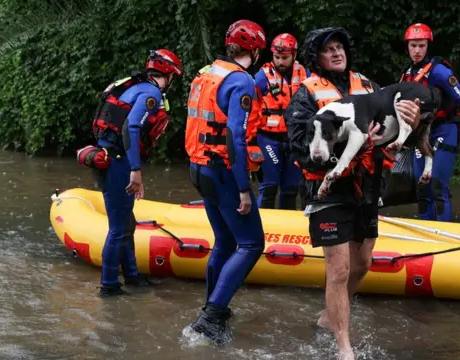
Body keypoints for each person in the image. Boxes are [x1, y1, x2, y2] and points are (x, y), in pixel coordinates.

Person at [284, 27, 420, 360]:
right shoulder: (305, 94)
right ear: (316, 58)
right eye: (328, 49)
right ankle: (345, 348)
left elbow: (394, 134)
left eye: (340, 48)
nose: (336, 53)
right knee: (340, 269)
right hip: (326, 189)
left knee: (363, 263)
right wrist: (349, 144)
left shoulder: (371, 88)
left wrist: (412, 123)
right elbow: (301, 146)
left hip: (367, 188)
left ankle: (328, 316)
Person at [184, 19, 267, 345]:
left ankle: (212, 308)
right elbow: (235, 135)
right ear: (256, 51)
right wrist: (244, 188)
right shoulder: (241, 82)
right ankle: (211, 317)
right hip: (222, 171)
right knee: (251, 244)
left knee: (224, 241)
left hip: (198, 166)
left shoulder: (207, 73)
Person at [92, 49, 183, 297]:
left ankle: (131, 275)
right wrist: (136, 170)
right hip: (119, 162)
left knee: (126, 223)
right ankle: (109, 286)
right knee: (119, 228)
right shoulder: (151, 92)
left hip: (108, 156)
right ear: (170, 75)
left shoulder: (134, 86)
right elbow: (131, 127)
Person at [400, 23, 460, 222]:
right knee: (422, 187)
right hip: (421, 136)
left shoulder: (438, 72)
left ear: (428, 46)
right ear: (407, 47)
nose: (417, 50)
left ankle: (444, 234)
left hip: (445, 131)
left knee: (437, 185)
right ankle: (427, 234)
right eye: (413, 46)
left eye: (421, 45)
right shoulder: (407, 75)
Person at [253, 33, 311, 209]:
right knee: (269, 187)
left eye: (285, 58)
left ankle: (288, 230)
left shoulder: (306, 75)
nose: (280, 62)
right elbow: (251, 111)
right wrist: (250, 142)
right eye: (277, 57)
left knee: (291, 189)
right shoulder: (262, 77)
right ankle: (262, 229)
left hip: (295, 139)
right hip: (268, 138)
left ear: (294, 55)